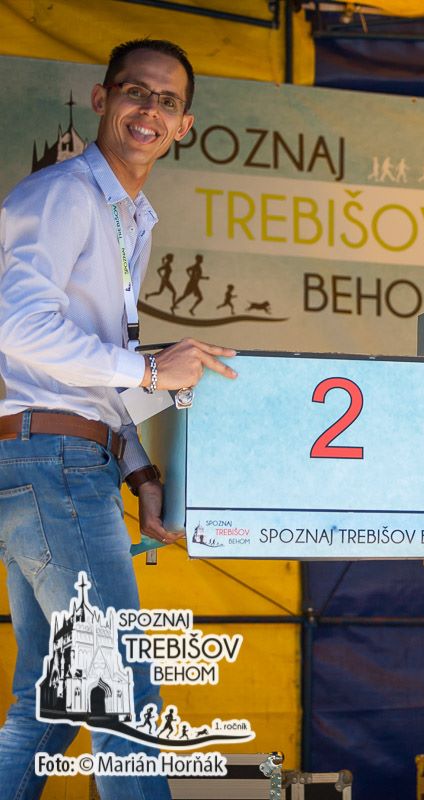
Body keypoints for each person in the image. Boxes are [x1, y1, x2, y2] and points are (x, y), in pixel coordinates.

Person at [0, 38, 238, 799]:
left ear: (184, 125)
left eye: (167, 101)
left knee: (53, 708)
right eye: (136, 92)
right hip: (52, 464)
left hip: (64, 463)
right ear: (102, 100)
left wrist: (138, 468)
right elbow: (17, 328)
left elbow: (97, 359)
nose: (149, 110)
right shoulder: (65, 195)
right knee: (120, 695)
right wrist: (150, 371)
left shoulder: (128, 214)